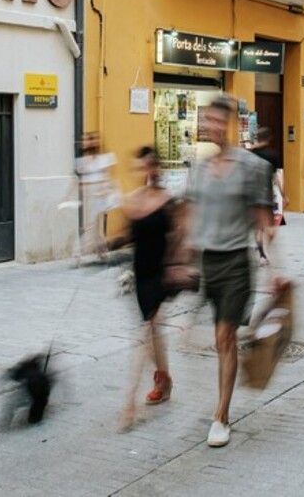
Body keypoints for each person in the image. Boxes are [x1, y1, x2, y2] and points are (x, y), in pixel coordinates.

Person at [183, 96, 275, 448]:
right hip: (209, 263)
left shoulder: (251, 166)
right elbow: (190, 215)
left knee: (224, 337)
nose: (214, 127)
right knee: (220, 339)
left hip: (237, 262)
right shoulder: (200, 170)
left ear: (234, 125)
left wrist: (274, 268)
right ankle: (222, 407)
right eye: (209, 121)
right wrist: (182, 259)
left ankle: (221, 415)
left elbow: (262, 219)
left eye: (220, 121)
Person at [120, 147, 179, 430]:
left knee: (145, 334)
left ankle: (129, 402)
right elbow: (126, 237)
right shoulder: (131, 202)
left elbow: (179, 237)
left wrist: (177, 267)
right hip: (140, 275)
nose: (147, 171)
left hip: (161, 274)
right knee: (153, 332)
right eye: (142, 167)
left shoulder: (167, 201)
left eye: (151, 166)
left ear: (157, 167)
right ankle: (164, 377)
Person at [74, 132, 117, 263]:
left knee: (97, 225)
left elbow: (109, 175)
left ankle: (101, 251)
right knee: (91, 225)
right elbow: (82, 180)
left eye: (95, 140)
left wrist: (107, 189)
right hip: (91, 195)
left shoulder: (104, 158)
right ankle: (78, 251)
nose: (93, 143)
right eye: (92, 140)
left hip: (101, 194)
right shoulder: (84, 160)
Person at [250, 129, 285, 262]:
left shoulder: (251, 154)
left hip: (253, 196)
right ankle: (265, 250)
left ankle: (261, 253)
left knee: (258, 228)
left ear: (257, 138)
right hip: (267, 195)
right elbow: (277, 178)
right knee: (271, 228)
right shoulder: (273, 155)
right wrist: (283, 195)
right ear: (269, 139)